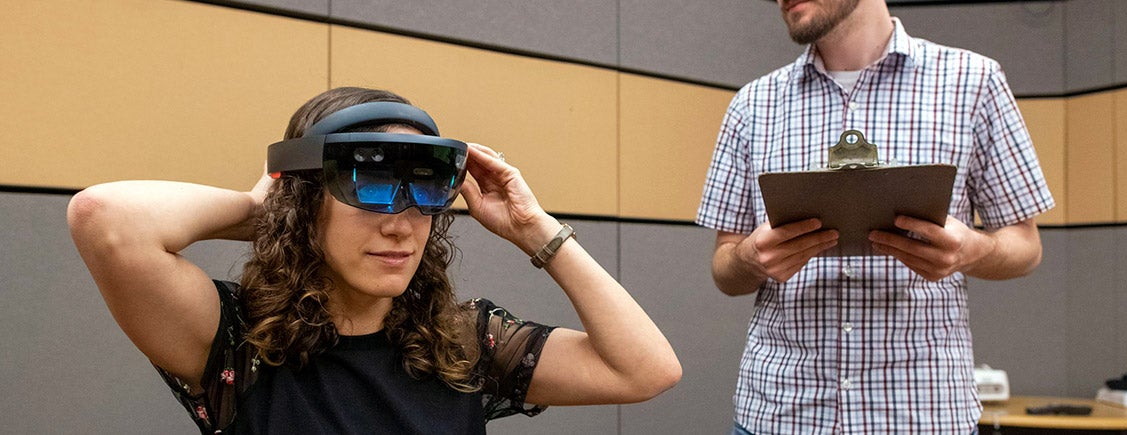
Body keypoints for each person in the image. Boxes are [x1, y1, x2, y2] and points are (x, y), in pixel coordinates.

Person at [68, 86, 681, 434]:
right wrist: (275, 208)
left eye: (422, 193)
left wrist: (533, 230)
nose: (400, 224)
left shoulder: (463, 345)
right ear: (306, 196)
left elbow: (645, 370)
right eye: (368, 187)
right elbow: (106, 219)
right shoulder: (236, 345)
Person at [696, 0, 1055, 433]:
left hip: (921, 414)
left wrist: (971, 250)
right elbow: (724, 265)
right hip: (778, 415)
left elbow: (1024, 247)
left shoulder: (973, 83)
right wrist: (750, 257)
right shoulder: (752, 105)